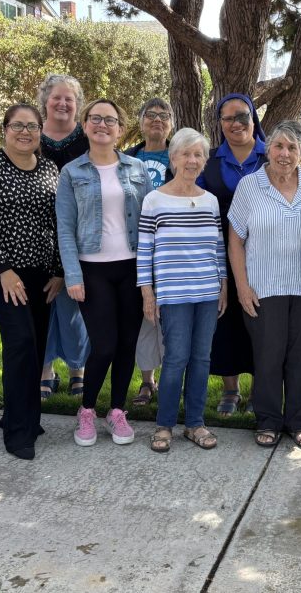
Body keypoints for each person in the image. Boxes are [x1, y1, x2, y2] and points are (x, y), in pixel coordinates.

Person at [0, 104, 64, 460]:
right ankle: (19, 434)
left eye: (32, 126)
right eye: (18, 126)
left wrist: (58, 271)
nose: (25, 132)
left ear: (40, 131)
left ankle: (19, 416)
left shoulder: (50, 169)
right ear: (4, 129)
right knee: (21, 340)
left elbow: (59, 222)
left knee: (35, 346)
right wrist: (3, 270)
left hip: (40, 274)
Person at [57, 99, 152, 447]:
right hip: (92, 269)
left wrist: (150, 275)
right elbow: (65, 228)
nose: (102, 125)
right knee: (104, 345)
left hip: (132, 267)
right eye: (95, 118)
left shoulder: (137, 169)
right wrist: (72, 275)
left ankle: (117, 411)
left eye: (109, 120)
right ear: (84, 125)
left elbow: (149, 222)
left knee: (127, 344)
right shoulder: (72, 172)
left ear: (120, 129)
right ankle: (86, 410)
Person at [228, 120, 301, 449]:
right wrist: (241, 286)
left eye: (292, 147)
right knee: (268, 357)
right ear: (267, 149)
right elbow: (235, 240)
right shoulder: (249, 186)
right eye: (279, 146)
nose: (285, 153)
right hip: (263, 287)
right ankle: (268, 419)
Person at [137, 128, 227, 452]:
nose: (192, 160)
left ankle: (195, 424)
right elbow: (144, 250)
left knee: (201, 358)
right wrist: (147, 293)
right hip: (173, 296)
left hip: (207, 293)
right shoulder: (154, 200)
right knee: (175, 359)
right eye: (185, 154)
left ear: (204, 161)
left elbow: (218, 248)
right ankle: (164, 426)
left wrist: (224, 285)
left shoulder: (210, 201)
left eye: (198, 154)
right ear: (173, 158)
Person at [197, 93, 266, 416]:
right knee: (226, 322)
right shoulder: (209, 161)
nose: (236, 123)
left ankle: (260, 390)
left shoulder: (272, 155)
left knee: (263, 322)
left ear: (253, 118)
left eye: (242, 116)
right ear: (220, 123)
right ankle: (231, 389)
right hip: (221, 253)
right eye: (228, 118)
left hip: (266, 255)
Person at [37, 74, 91, 401]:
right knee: (42, 304)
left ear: (77, 104)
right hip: (37, 235)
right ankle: (46, 370)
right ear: (45, 100)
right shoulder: (30, 135)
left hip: (78, 233)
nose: (62, 103)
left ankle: (77, 369)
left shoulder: (88, 138)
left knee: (73, 306)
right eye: (56, 97)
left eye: (69, 99)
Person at [124, 98, 175, 408]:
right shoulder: (127, 159)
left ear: (171, 123)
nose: (157, 120)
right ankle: (147, 381)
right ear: (141, 122)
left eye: (164, 115)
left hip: (171, 250)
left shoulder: (179, 156)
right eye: (151, 115)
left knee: (171, 318)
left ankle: (171, 379)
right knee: (144, 317)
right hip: (135, 249)